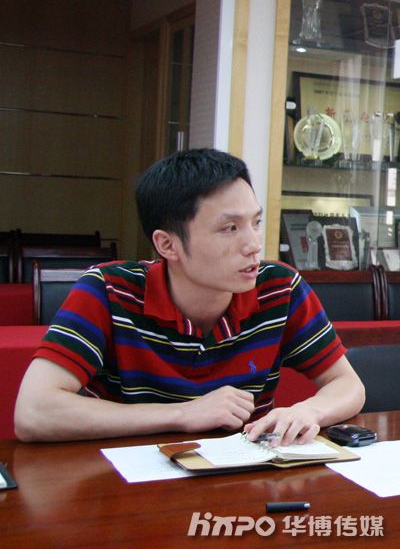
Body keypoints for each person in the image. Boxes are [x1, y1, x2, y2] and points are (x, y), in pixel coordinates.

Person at [14, 148, 365, 443]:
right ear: (167, 245)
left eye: (256, 222)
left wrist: (308, 410)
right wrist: (183, 414)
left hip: (241, 478)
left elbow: (347, 384)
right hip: (124, 482)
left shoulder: (279, 288)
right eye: (230, 228)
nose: (253, 244)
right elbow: (33, 412)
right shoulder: (108, 291)